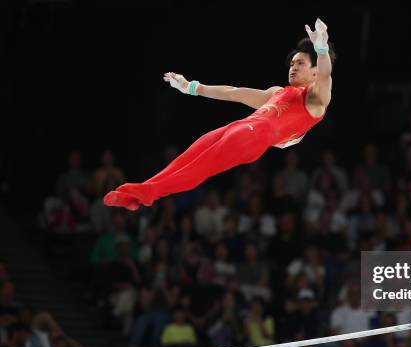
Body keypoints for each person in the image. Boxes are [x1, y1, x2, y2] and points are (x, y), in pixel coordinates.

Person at [104, 19, 335, 210]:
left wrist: (322, 51)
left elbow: (325, 78)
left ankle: (149, 193)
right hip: (240, 127)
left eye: (300, 63)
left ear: (314, 71)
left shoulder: (315, 100)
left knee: (200, 167)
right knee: (188, 157)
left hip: (254, 136)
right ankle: (140, 191)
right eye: (292, 63)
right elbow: (235, 93)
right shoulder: (278, 92)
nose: (292, 67)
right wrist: (192, 87)